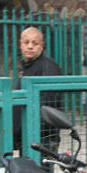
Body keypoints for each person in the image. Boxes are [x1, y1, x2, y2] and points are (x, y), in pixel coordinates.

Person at [12, 27, 63, 157]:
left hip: (42, 139)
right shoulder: (27, 67)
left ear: (42, 46)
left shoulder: (49, 68)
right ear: (20, 44)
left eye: (35, 43)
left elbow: (47, 105)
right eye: (26, 42)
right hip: (26, 137)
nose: (30, 47)